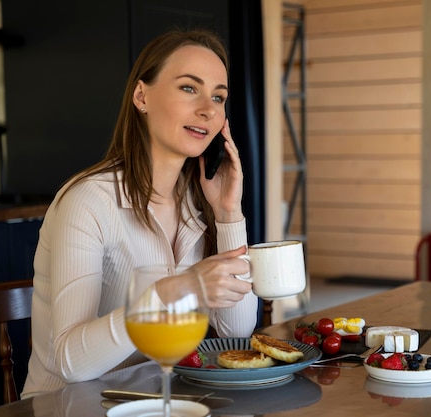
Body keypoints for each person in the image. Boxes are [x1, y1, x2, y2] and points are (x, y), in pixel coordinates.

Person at [21, 29, 259, 398]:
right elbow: (70, 361)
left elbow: (236, 334)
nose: (208, 109)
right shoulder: (87, 201)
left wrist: (229, 214)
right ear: (141, 96)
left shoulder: (198, 203)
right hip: (69, 406)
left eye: (218, 96)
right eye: (188, 88)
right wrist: (178, 287)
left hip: (160, 399)